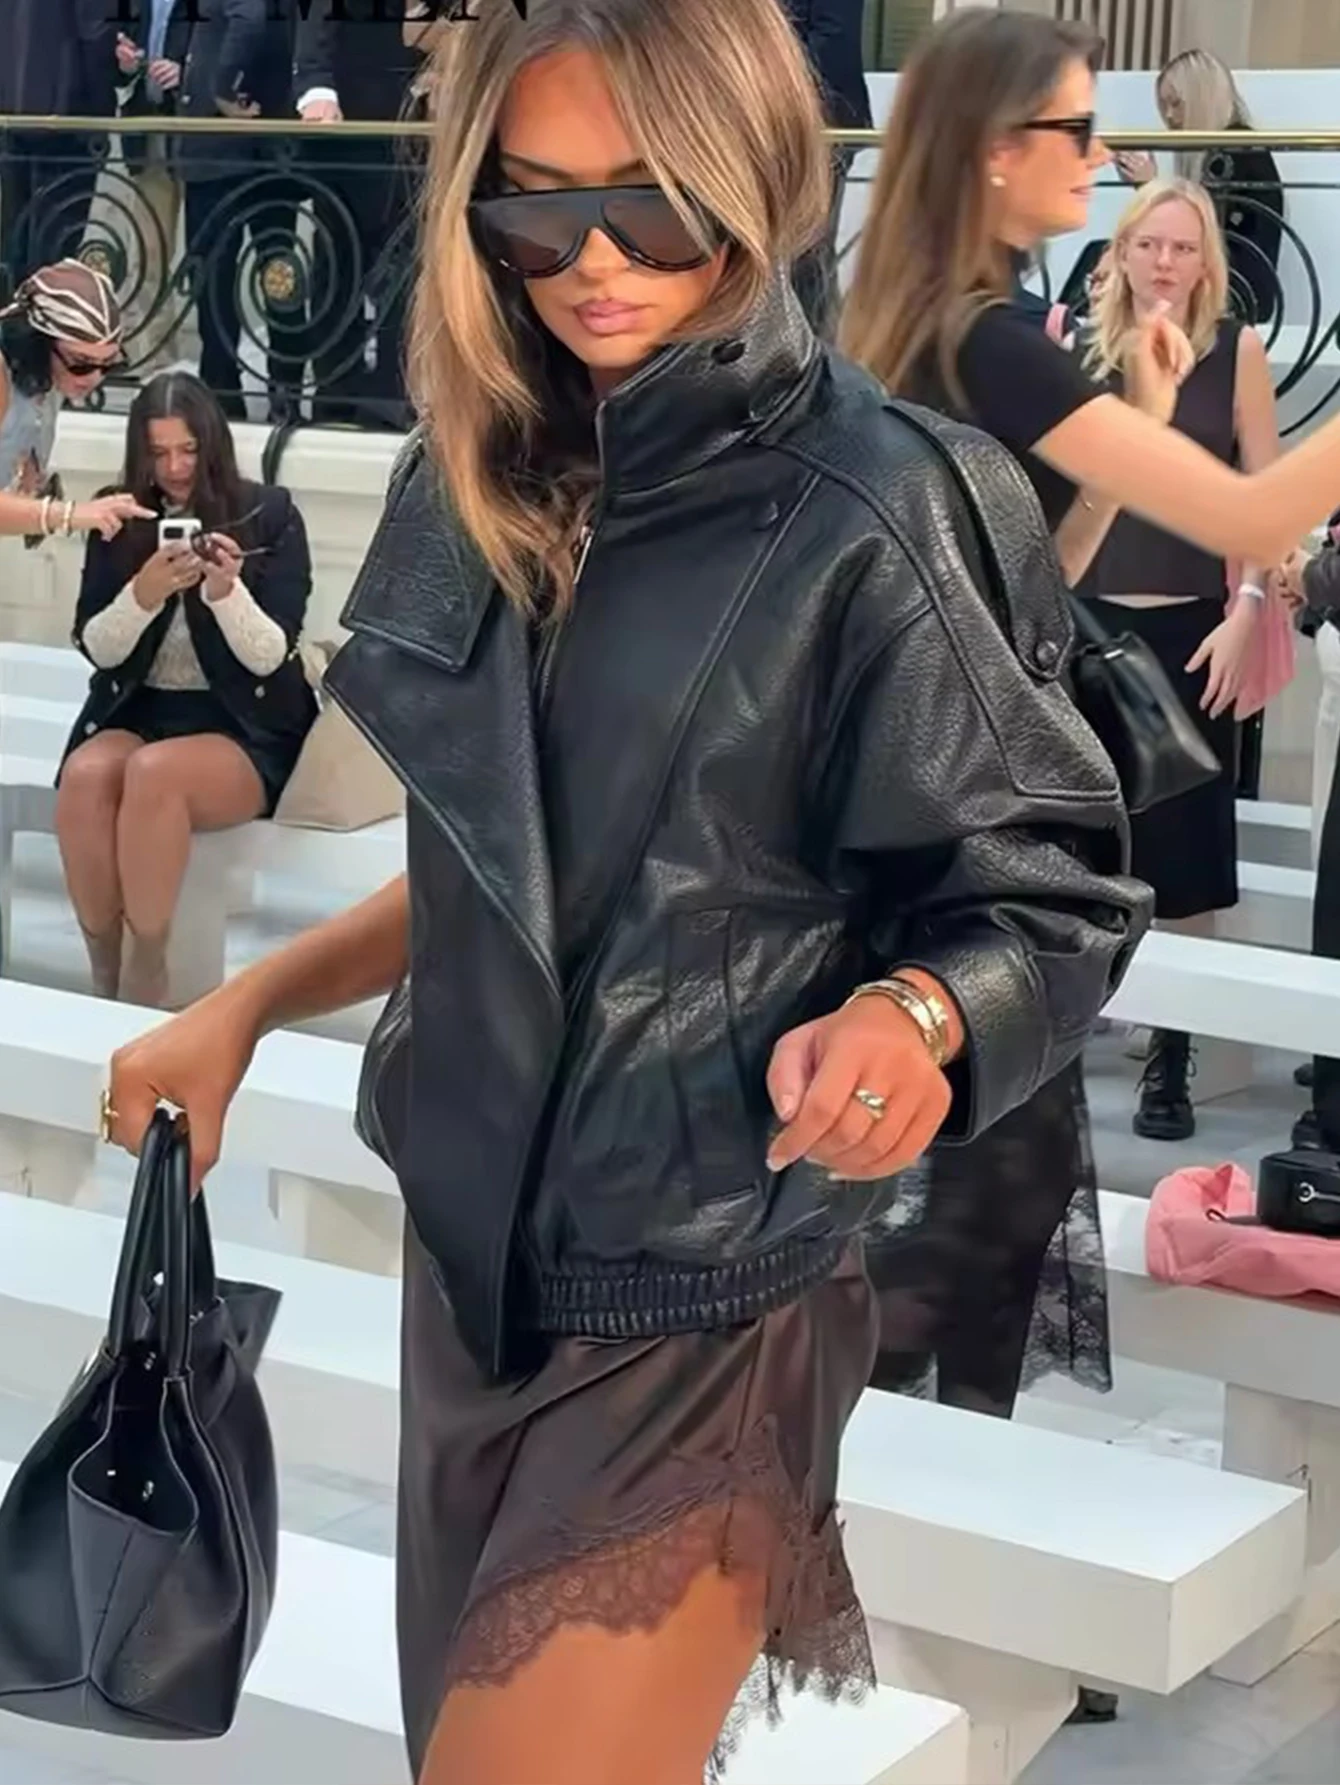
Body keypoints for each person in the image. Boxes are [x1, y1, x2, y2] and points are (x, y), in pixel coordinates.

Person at [101, 1, 1146, 1779]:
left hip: (703, 1299)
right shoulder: (471, 475)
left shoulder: (880, 505)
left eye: (650, 207)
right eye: (535, 208)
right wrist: (247, 1003)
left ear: (753, 176)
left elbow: (1047, 891)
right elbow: (506, 876)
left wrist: (915, 1015)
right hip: (469, 1275)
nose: (592, 261)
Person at [843, 0, 1340, 1578]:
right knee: (958, 1215)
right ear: (996, 154)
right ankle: (879, 1554)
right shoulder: (986, 339)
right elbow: (1257, 511)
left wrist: (1115, 428)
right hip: (949, 823)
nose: (1104, 152)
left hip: (948, 807)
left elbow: (1035, 575)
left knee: (980, 1200)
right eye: (1075, 127)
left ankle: (922, 1550)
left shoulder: (940, 326)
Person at [1082, 179, 1283, 1142]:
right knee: (1082, 840)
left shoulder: (1236, 351)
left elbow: (1267, 494)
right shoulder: (1075, 347)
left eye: (1184, 247)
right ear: (1121, 252)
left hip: (1195, 628)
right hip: (1085, 629)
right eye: (1150, 244)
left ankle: (1171, 1056)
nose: (1165, 261)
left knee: (1187, 856)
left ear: (1207, 262)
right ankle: (1062, 1031)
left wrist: (1249, 609)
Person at [57, 372, 315, 1007]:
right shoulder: (118, 516)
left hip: (243, 725)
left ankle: (148, 966)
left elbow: (269, 656)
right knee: (86, 776)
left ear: (212, 444)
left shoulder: (270, 514)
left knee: (154, 775)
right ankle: (105, 971)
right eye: (159, 452)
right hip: (141, 710)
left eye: (188, 450)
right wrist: (142, 595)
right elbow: (99, 649)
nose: (174, 468)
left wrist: (226, 593)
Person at [295, 0, 419, 427]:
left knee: (407, 277)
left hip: (420, 132)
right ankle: (334, 396)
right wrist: (316, 86)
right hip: (347, 131)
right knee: (336, 269)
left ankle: (392, 398)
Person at [1115, 48, 1284, 327]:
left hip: (1234, 295)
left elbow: (1197, 231)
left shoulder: (1232, 153)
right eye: (1164, 106)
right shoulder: (1235, 148)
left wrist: (1149, 187)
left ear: (1201, 99)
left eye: (1176, 104)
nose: (1169, 116)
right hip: (1234, 289)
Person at [0, 261, 151, 542]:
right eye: (81, 363)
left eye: (108, 365)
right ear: (40, 342)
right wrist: (70, 514)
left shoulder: (50, 376)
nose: (94, 378)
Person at [0, 0, 117, 281]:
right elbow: (96, 39)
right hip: (67, 120)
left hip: (14, 114)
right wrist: (102, 116)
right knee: (55, 244)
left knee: (15, 236)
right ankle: (40, 308)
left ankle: (14, 305)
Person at [781, 1, 872, 340]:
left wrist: (761, 79)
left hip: (815, 123)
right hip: (772, 124)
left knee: (804, 256)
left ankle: (815, 354)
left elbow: (834, 38)